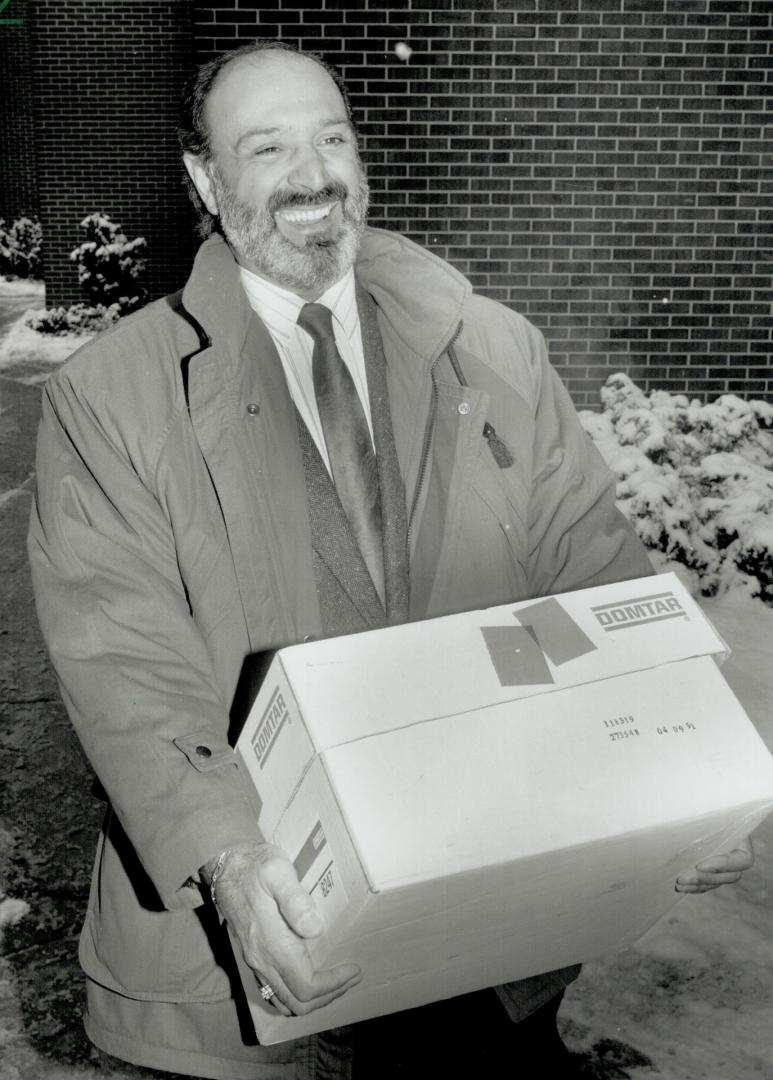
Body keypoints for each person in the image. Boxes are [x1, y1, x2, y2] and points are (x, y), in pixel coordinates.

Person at [28, 40, 754, 1080]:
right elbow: (124, 663)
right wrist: (229, 862)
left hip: (485, 920)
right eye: (266, 146)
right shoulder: (113, 397)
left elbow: (598, 578)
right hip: (262, 947)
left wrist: (686, 772)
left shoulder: (493, 349)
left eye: (330, 138)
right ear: (205, 178)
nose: (311, 176)